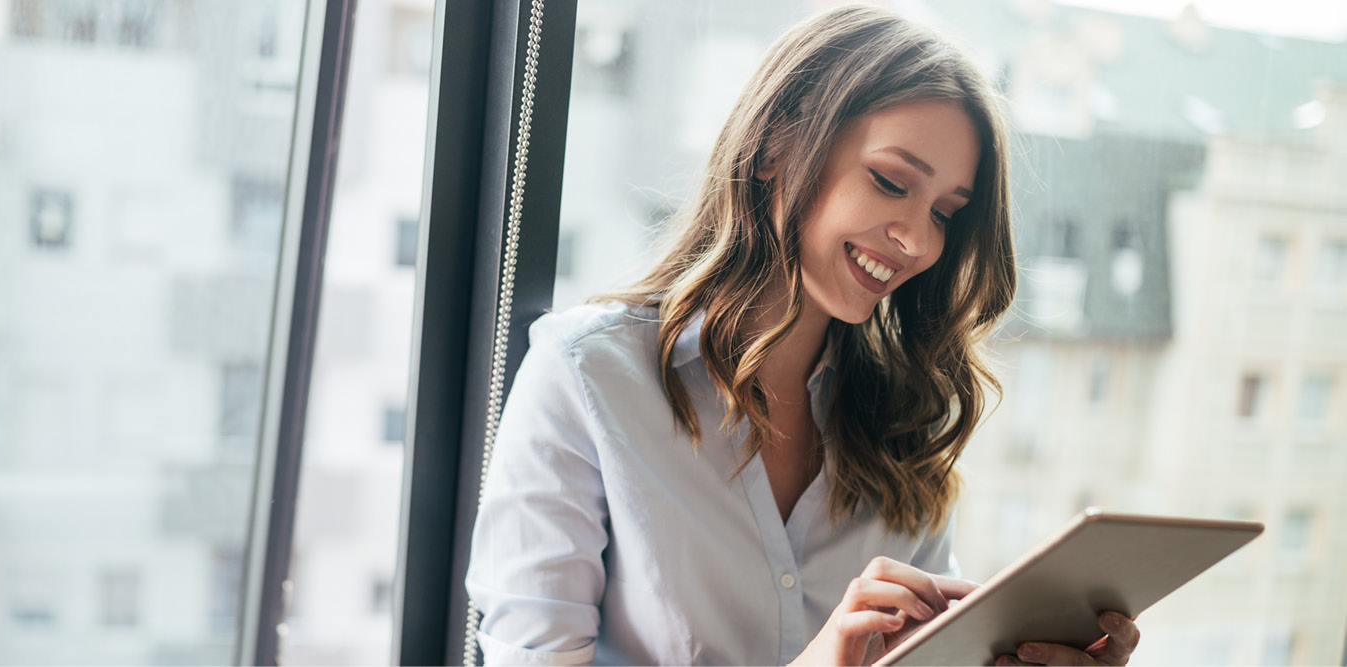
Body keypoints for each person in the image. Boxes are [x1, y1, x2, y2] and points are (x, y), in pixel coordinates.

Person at [465, 5, 1140, 666]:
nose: (914, 239)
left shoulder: (903, 424)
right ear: (772, 149)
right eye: (888, 181)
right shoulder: (587, 376)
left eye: (942, 212)